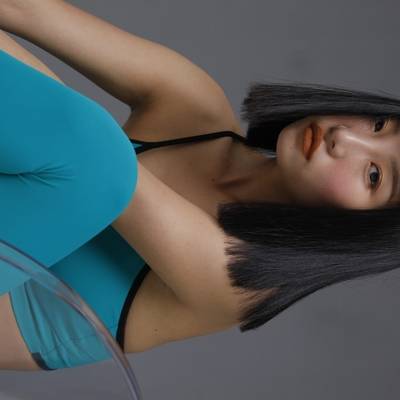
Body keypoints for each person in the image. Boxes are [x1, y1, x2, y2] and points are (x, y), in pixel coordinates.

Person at [1, 0, 400, 374]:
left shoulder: (242, 277)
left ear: (363, 230)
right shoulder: (198, 106)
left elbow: (93, 158)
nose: (344, 137)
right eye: (379, 125)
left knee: (98, 159)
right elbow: (34, 12)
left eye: (374, 176)